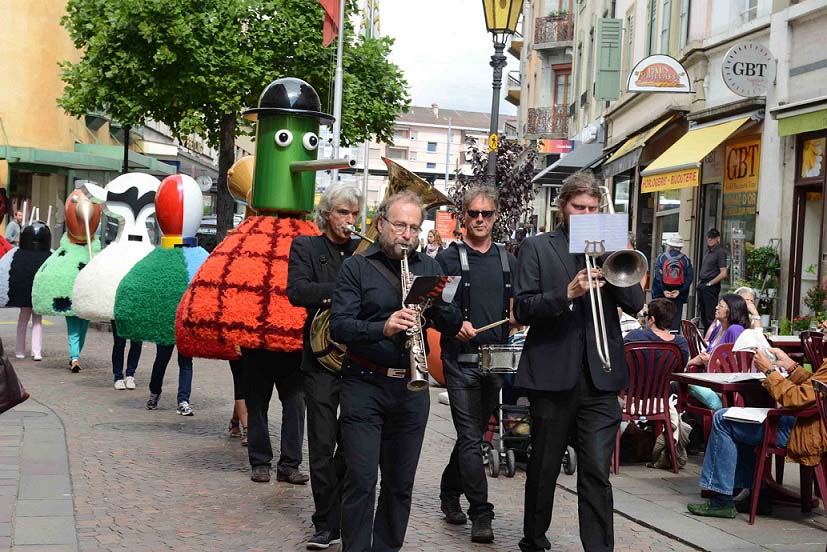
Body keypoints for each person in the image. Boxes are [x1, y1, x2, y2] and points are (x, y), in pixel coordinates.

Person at [513, 171, 644, 552]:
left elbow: (635, 304)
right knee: (544, 468)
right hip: (552, 377)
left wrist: (614, 255)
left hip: (601, 380)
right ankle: (534, 540)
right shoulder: (538, 247)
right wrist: (565, 293)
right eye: (579, 207)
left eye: (593, 208)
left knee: (596, 473)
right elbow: (522, 308)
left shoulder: (610, 246)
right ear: (562, 207)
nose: (587, 213)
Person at [330, 191, 462, 551]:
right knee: (359, 479)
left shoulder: (428, 267)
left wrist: (443, 304)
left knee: (400, 483)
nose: (407, 234)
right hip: (364, 383)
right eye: (400, 225)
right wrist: (383, 327)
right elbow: (339, 326)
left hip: (409, 388)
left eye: (414, 228)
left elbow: (450, 324)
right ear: (381, 224)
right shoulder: (356, 267)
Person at [435, 186, 517, 543]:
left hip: (495, 360)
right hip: (461, 362)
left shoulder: (506, 258)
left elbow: (518, 300)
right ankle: (481, 513)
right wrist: (457, 324)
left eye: (486, 214)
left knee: (472, 436)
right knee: (472, 439)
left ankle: (448, 490)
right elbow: (435, 305)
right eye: (473, 214)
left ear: (495, 217)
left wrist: (518, 314)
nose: (480, 219)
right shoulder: (448, 259)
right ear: (463, 217)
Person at [287, 183, 362, 550]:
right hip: (319, 360)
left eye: (353, 214)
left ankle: (340, 513)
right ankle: (324, 522)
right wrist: (344, 289)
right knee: (320, 444)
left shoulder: (363, 252)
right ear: (327, 215)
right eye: (342, 213)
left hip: (356, 360)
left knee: (351, 443)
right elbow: (297, 291)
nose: (349, 221)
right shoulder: (307, 246)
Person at [687, 346, 827, 518]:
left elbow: (797, 398)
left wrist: (769, 371)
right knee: (741, 420)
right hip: (809, 425)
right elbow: (815, 388)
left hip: (806, 432)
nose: (824, 325)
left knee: (722, 419)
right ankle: (755, 495)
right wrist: (791, 366)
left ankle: (721, 500)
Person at [686, 294, 750, 410]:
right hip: (710, 380)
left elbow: (735, 362)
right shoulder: (718, 328)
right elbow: (705, 356)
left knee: (678, 385)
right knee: (676, 383)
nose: (716, 307)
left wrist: (710, 361)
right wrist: (689, 363)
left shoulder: (735, 329)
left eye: (721, 306)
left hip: (723, 389)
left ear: (732, 310)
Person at [624, 298, 690, 366]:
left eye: (646, 315)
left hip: (636, 376)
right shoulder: (681, 343)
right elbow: (682, 366)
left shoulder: (634, 337)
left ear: (652, 319)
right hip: (668, 377)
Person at [652, 235, 693, 331]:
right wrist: (679, 291)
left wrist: (664, 290)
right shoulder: (685, 259)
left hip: (661, 295)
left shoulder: (661, 258)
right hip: (678, 296)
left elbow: (657, 277)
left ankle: (659, 340)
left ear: (669, 245)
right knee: (675, 321)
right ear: (680, 246)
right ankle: (673, 341)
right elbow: (689, 278)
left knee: (659, 319)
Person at [697, 228, 728, 331]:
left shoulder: (720, 252)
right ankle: (706, 336)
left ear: (717, 239)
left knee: (710, 315)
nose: (710, 240)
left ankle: (710, 338)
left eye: (712, 238)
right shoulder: (708, 251)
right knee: (703, 315)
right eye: (709, 237)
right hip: (703, 283)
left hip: (710, 285)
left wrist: (710, 283)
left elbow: (723, 272)